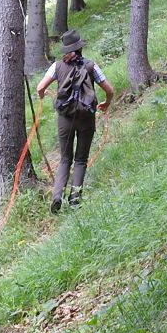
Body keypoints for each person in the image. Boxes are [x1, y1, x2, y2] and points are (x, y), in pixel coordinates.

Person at [36, 29, 114, 213]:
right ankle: (75, 199)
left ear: (65, 49)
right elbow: (109, 90)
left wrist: (42, 95)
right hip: (86, 117)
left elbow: (40, 87)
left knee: (65, 159)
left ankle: (57, 197)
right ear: (80, 48)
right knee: (80, 160)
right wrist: (106, 103)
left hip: (65, 118)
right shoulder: (91, 66)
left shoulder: (56, 67)